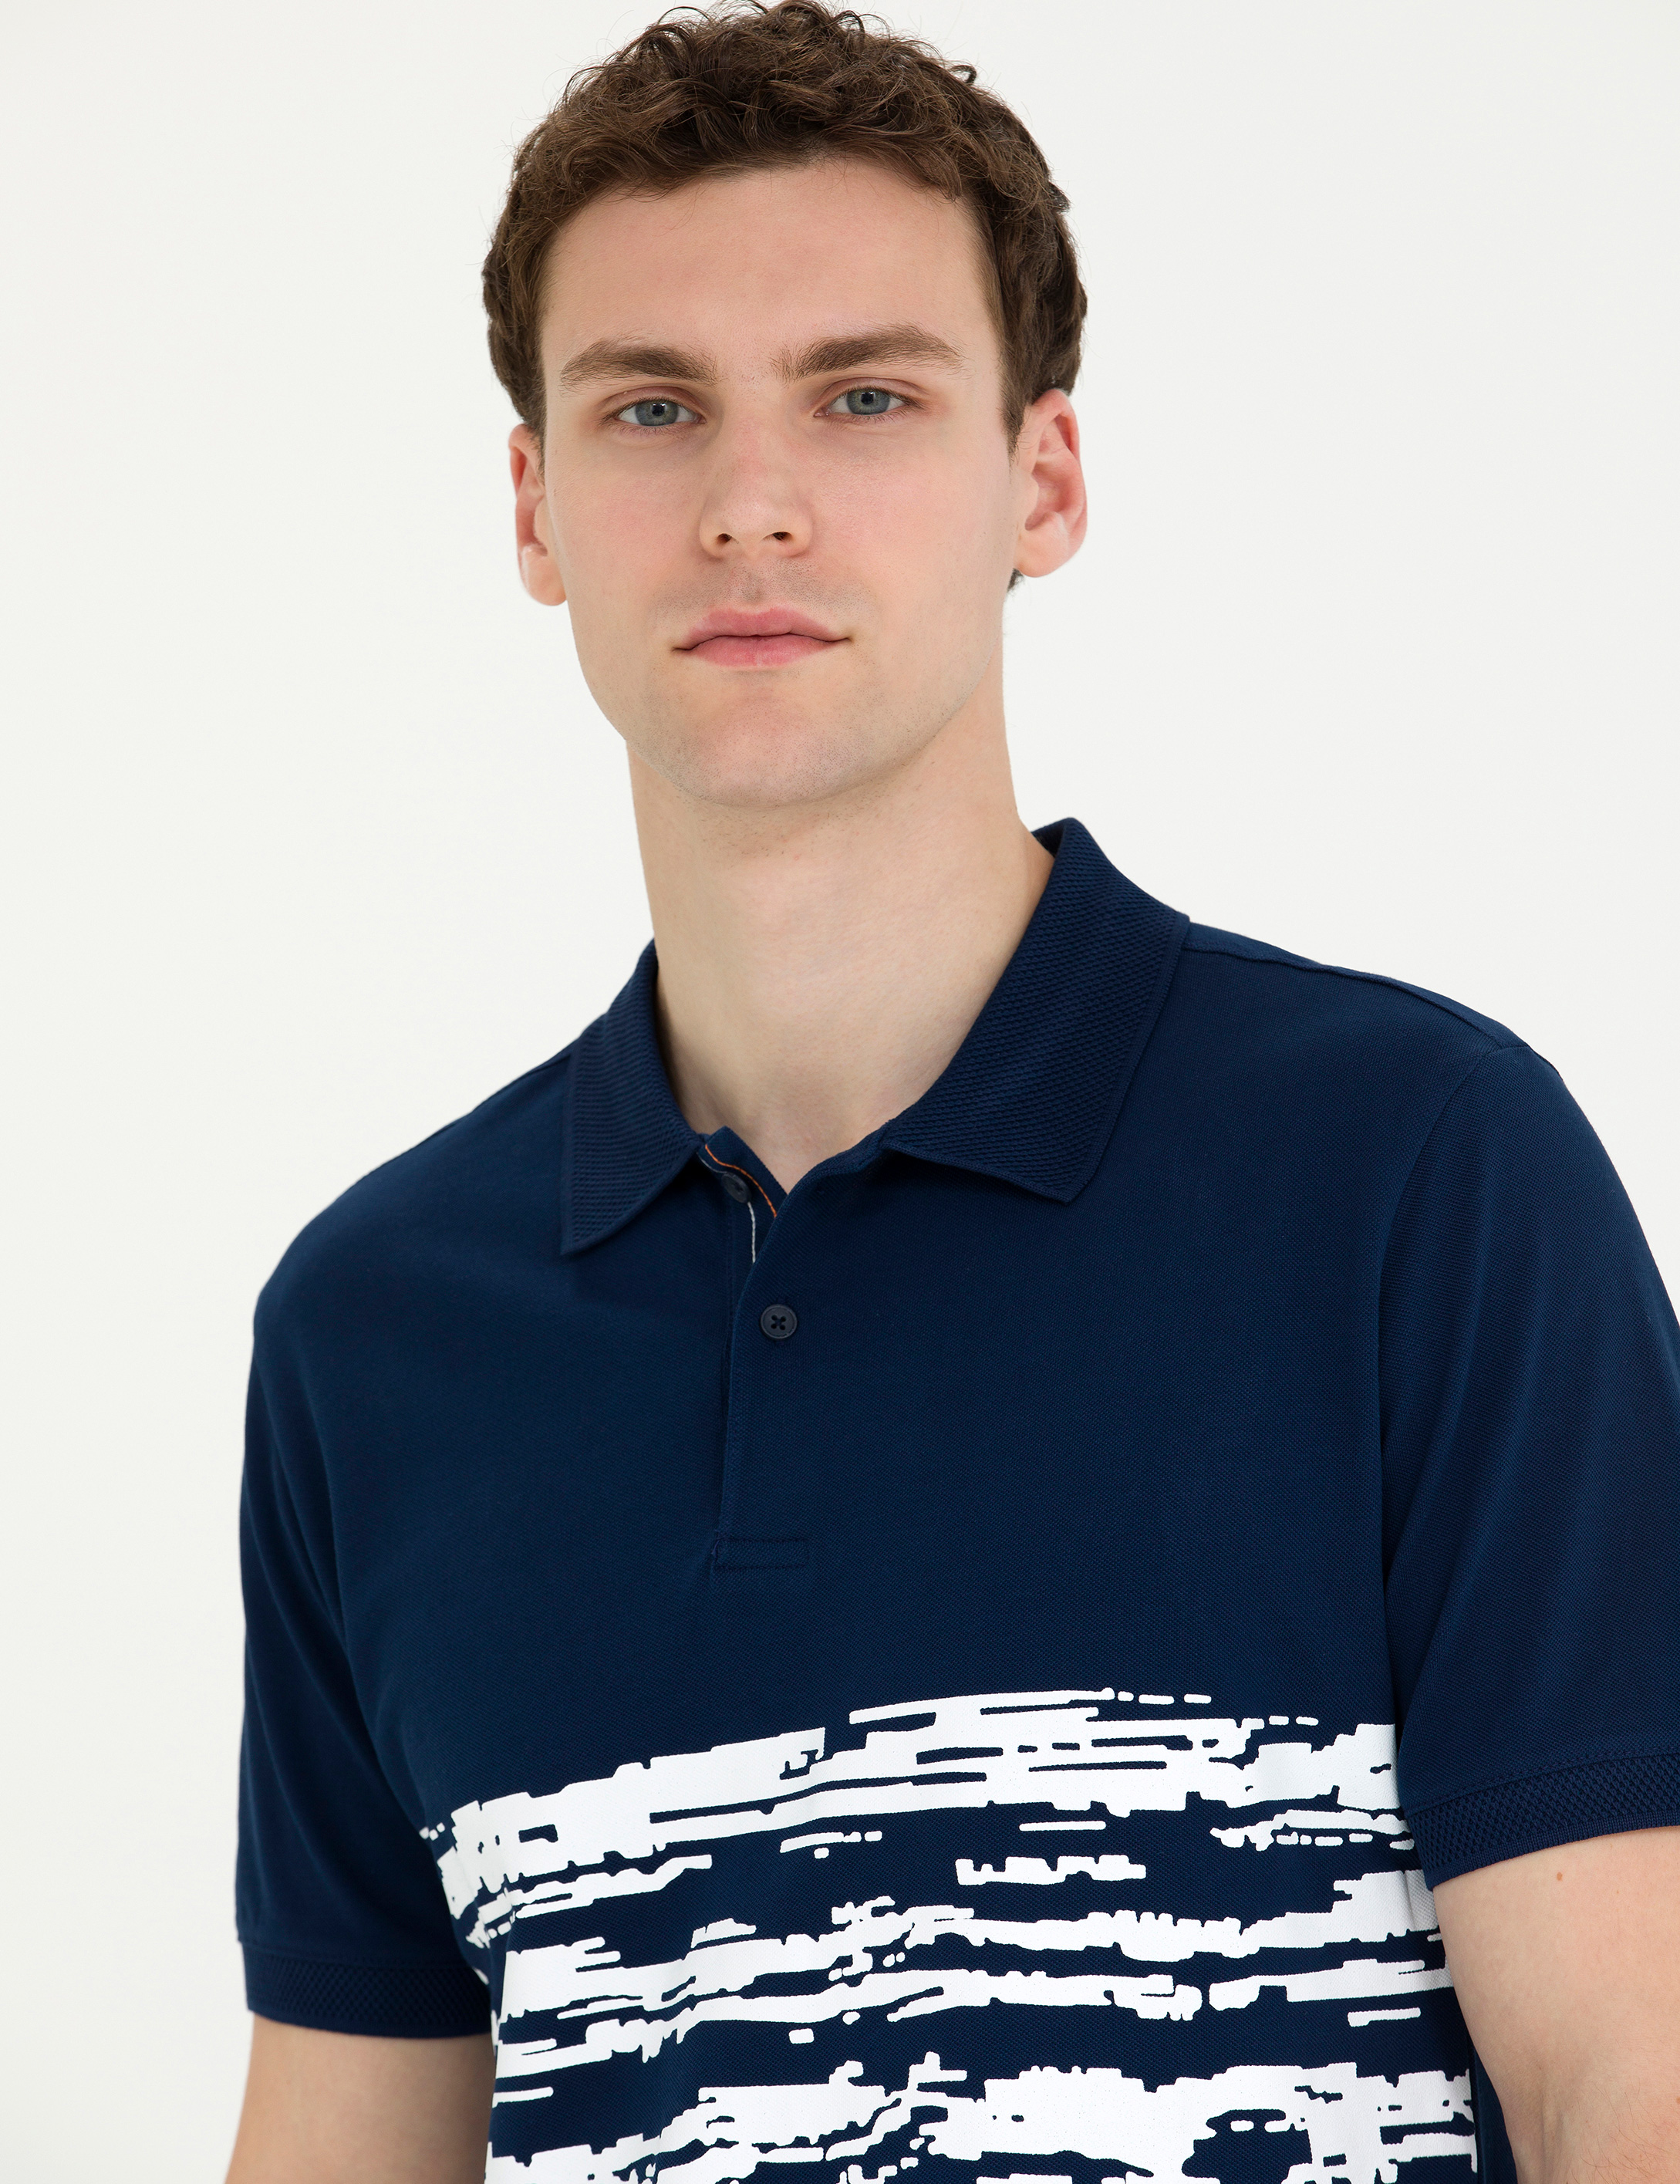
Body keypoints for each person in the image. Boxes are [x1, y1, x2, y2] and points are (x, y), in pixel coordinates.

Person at [224, 5, 1680, 2180]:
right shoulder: (372, 1330)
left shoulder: (1417, 1176)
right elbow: (344, 2141)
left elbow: (1627, 2087)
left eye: (866, 396)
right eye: (651, 408)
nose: (750, 504)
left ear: (1044, 480)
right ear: (535, 507)